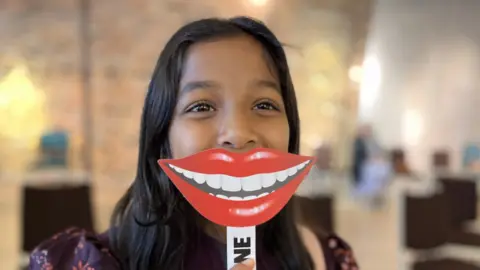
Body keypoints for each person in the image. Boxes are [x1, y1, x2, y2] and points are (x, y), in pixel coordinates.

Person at [29, 17, 358, 270]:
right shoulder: (87, 262)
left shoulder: (328, 258)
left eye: (265, 105)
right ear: (162, 137)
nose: (238, 133)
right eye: (201, 107)